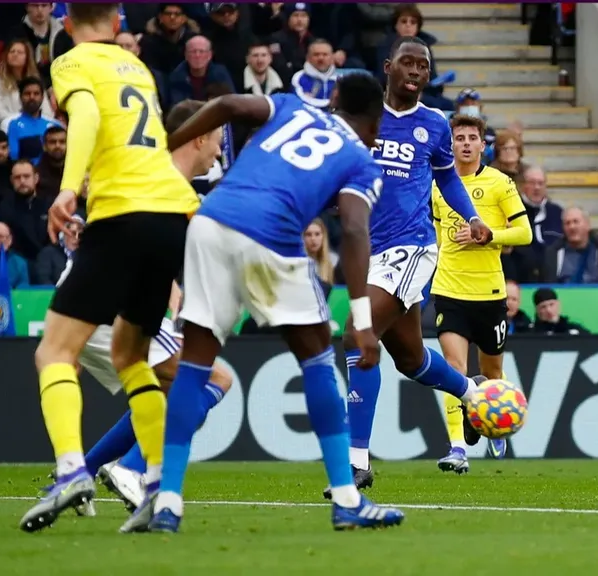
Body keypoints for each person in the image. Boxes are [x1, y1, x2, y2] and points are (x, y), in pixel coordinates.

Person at [144, 75, 404, 533]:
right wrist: (363, 321)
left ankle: (167, 502)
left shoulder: (289, 106)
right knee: (318, 359)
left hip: (210, 221)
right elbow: (354, 229)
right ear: (376, 123)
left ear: (335, 99)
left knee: (195, 364)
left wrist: (166, 147)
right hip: (271, 233)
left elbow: (227, 103)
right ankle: (347, 499)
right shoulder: (362, 162)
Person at [19, 4, 200, 534]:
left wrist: (68, 188)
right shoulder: (136, 67)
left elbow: (88, 118)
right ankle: (158, 487)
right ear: (118, 23)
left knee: (54, 351)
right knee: (130, 356)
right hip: (171, 215)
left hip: (123, 213)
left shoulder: (72, 61)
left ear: (67, 24)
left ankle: (71, 471)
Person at [333, 36, 494, 498]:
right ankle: (472, 392)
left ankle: (356, 461)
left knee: (357, 333)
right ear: (388, 67)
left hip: (411, 247)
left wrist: (473, 218)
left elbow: (447, 179)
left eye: (424, 65)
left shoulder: (435, 124)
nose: (417, 71)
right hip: (367, 250)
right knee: (410, 359)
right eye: (408, 62)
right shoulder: (364, 119)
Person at [69, 100, 235, 515]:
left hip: (83, 296)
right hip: (113, 299)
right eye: (217, 141)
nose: (219, 151)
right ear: (199, 138)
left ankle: (79, 476)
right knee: (211, 379)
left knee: (161, 389)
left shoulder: (148, 173)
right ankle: (131, 468)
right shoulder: (171, 187)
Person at [430, 114, 531, 474]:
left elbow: (524, 233)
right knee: (454, 370)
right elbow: (439, 237)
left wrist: (489, 236)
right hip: (449, 289)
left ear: (483, 145)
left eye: (473, 138)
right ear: (450, 144)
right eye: (459, 138)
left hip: (489, 293)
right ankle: (457, 448)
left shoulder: (500, 183)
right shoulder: (438, 184)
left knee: (492, 372)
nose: (466, 144)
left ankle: (493, 424)